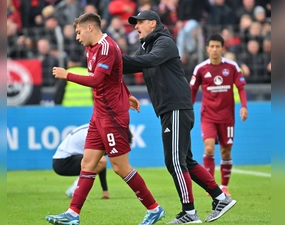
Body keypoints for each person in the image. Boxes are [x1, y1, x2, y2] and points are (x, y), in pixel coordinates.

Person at [45, 12, 165, 225]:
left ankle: (154, 209)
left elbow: (97, 80)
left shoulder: (107, 47)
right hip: (98, 115)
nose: (77, 37)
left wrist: (67, 75)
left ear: (90, 27)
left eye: (79, 32)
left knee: (120, 167)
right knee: (88, 163)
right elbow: (115, 76)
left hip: (112, 116)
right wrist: (127, 94)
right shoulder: (90, 48)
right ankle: (73, 213)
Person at [122, 10, 236, 224]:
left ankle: (189, 212)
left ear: (153, 24)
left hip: (175, 107)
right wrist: (109, 60)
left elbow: (147, 61)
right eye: (134, 23)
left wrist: (112, 57)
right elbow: (128, 64)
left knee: (174, 160)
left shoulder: (164, 42)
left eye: (139, 22)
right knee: (186, 161)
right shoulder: (147, 46)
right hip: (171, 108)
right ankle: (220, 198)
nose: (135, 26)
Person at [189, 34, 248, 197]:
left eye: (217, 46)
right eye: (211, 46)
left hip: (227, 117)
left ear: (223, 48)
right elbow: (192, 91)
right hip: (208, 115)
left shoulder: (232, 66)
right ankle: (211, 185)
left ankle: (224, 186)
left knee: (226, 152)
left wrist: (244, 106)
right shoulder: (200, 68)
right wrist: (188, 110)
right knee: (208, 148)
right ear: (207, 48)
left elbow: (241, 87)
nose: (214, 49)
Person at [52, 123, 109, 199]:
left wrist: (105, 190)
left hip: (62, 161)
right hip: (63, 162)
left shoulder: (94, 128)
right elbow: (99, 160)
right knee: (100, 160)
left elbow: (99, 161)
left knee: (99, 160)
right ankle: (75, 189)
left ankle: (76, 189)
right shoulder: (94, 132)